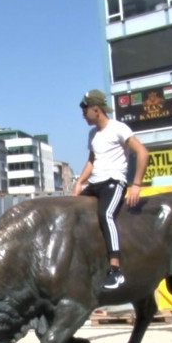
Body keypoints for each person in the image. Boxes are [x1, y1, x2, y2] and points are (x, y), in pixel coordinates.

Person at [72, 89, 149, 290]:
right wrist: (80, 182)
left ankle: (115, 270)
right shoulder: (92, 134)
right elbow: (92, 161)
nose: (82, 115)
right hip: (95, 183)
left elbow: (142, 152)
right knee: (73, 211)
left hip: (114, 182)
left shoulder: (118, 128)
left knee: (106, 214)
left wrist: (136, 184)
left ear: (96, 109)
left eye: (85, 111)